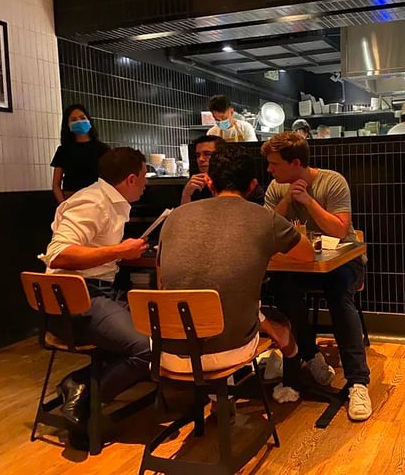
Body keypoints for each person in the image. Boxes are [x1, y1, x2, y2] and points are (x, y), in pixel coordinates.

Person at [159, 145, 314, 373]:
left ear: (210, 182)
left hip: (167, 352)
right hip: (227, 350)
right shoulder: (264, 218)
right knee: (245, 304)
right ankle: (286, 344)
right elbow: (308, 254)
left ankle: (220, 401)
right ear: (252, 186)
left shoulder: (175, 217)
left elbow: (161, 281)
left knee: (224, 296)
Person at [38, 147, 151, 448]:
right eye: (143, 176)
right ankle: (85, 396)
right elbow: (58, 253)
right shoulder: (93, 201)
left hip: (99, 291)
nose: (146, 183)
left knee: (159, 328)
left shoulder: (111, 201)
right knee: (145, 348)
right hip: (77, 301)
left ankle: (78, 386)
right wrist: (118, 251)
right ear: (130, 179)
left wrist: (120, 253)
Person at [261, 132, 372, 421]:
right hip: (299, 266)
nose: (270, 170)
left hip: (344, 262)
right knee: (283, 290)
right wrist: (287, 201)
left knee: (339, 295)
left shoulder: (332, 181)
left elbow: (339, 230)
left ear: (295, 162)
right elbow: (265, 229)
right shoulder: (276, 188)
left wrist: (308, 201)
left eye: (275, 164)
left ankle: (358, 382)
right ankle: (309, 355)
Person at [51, 104, 110, 204]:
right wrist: (63, 204)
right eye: (74, 120)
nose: (79, 121)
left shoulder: (103, 149)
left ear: (89, 121)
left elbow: (111, 178)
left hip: (98, 201)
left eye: (82, 118)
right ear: (68, 125)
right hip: (71, 201)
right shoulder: (63, 150)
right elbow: (56, 184)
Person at [180, 134, 265, 205]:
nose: (201, 159)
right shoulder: (196, 185)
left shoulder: (239, 182)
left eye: (207, 154)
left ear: (220, 155)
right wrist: (186, 194)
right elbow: (184, 218)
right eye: (198, 155)